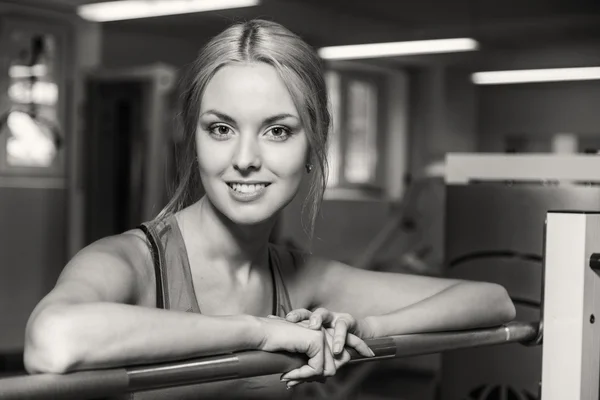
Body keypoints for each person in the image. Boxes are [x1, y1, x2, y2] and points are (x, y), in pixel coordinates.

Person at [23, 19, 516, 399]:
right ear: (193, 140)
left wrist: (369, 327)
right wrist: (259, 332)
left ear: (314, 145)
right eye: (220, 129)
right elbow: (53, 340)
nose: (243, 160)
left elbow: (493, 300)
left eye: (277, 130)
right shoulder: (131, 262)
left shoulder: (305, 279)